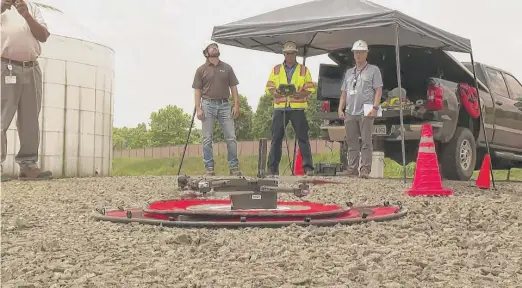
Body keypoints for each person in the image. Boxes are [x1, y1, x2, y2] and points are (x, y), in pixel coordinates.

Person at [1, 0, 52, 182]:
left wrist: (26, 15)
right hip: (4, 65)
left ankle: (28, 166)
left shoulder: (31, 7)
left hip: (31, 67)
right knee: (1, 117)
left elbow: (44, 35)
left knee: (30, 119)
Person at [265, 40, 316, 176]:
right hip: (280, 108)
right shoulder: (276, 69)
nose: (289, 56)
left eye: (292, 54)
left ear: (295, 54)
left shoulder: (303, 70)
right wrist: (275, 93)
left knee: (303, 138)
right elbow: (269, 86)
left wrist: (301, 94)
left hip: (297, 108)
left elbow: (310, 88)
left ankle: (308, 167)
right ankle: (272, 168)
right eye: (287, 54)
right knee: (276, 139)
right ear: (284, 54)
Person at [192, 41, 242, 176]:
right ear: (206, 53)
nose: (214, 48)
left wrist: (236, 104)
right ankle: (209, 167)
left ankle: (234, 167)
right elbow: (197, 90)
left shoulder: (227, 68)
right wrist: (198, 108)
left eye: (216, 47)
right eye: (211, 47)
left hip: (225, 104)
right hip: (207, 104)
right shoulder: (201, 70)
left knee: (231, 136)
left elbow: (233, 87)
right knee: (207, 138)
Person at [338, 40, 383, 178]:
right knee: (351, 141)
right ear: (353, 54)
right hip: (350, 111)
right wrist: (341, 108)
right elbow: (344, 93)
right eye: (356, 52)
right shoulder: (349, 73)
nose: (358, 54)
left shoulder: (373, 70)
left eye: (361, 52)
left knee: (366, 141)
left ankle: (365, 168)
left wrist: (375, 107)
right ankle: (352, 168)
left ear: (366, 53)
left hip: (366, 110)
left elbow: (378, 90)